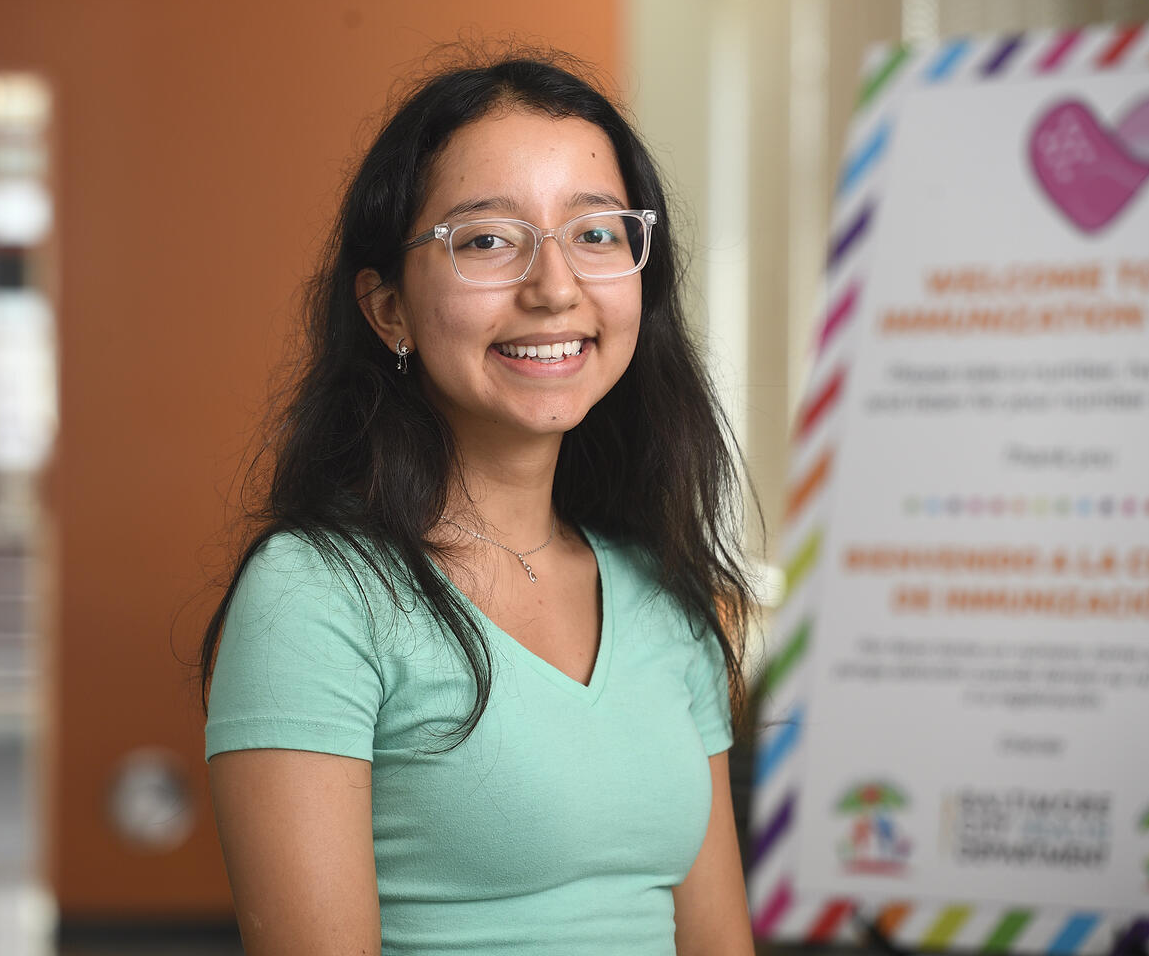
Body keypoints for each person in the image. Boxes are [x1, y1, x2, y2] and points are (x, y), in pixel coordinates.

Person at [199, 50, 757, 956]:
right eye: (488, 239)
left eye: (597, 233)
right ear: (389, 312)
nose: (554, 287)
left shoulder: (666, 593)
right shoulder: (316, 596)